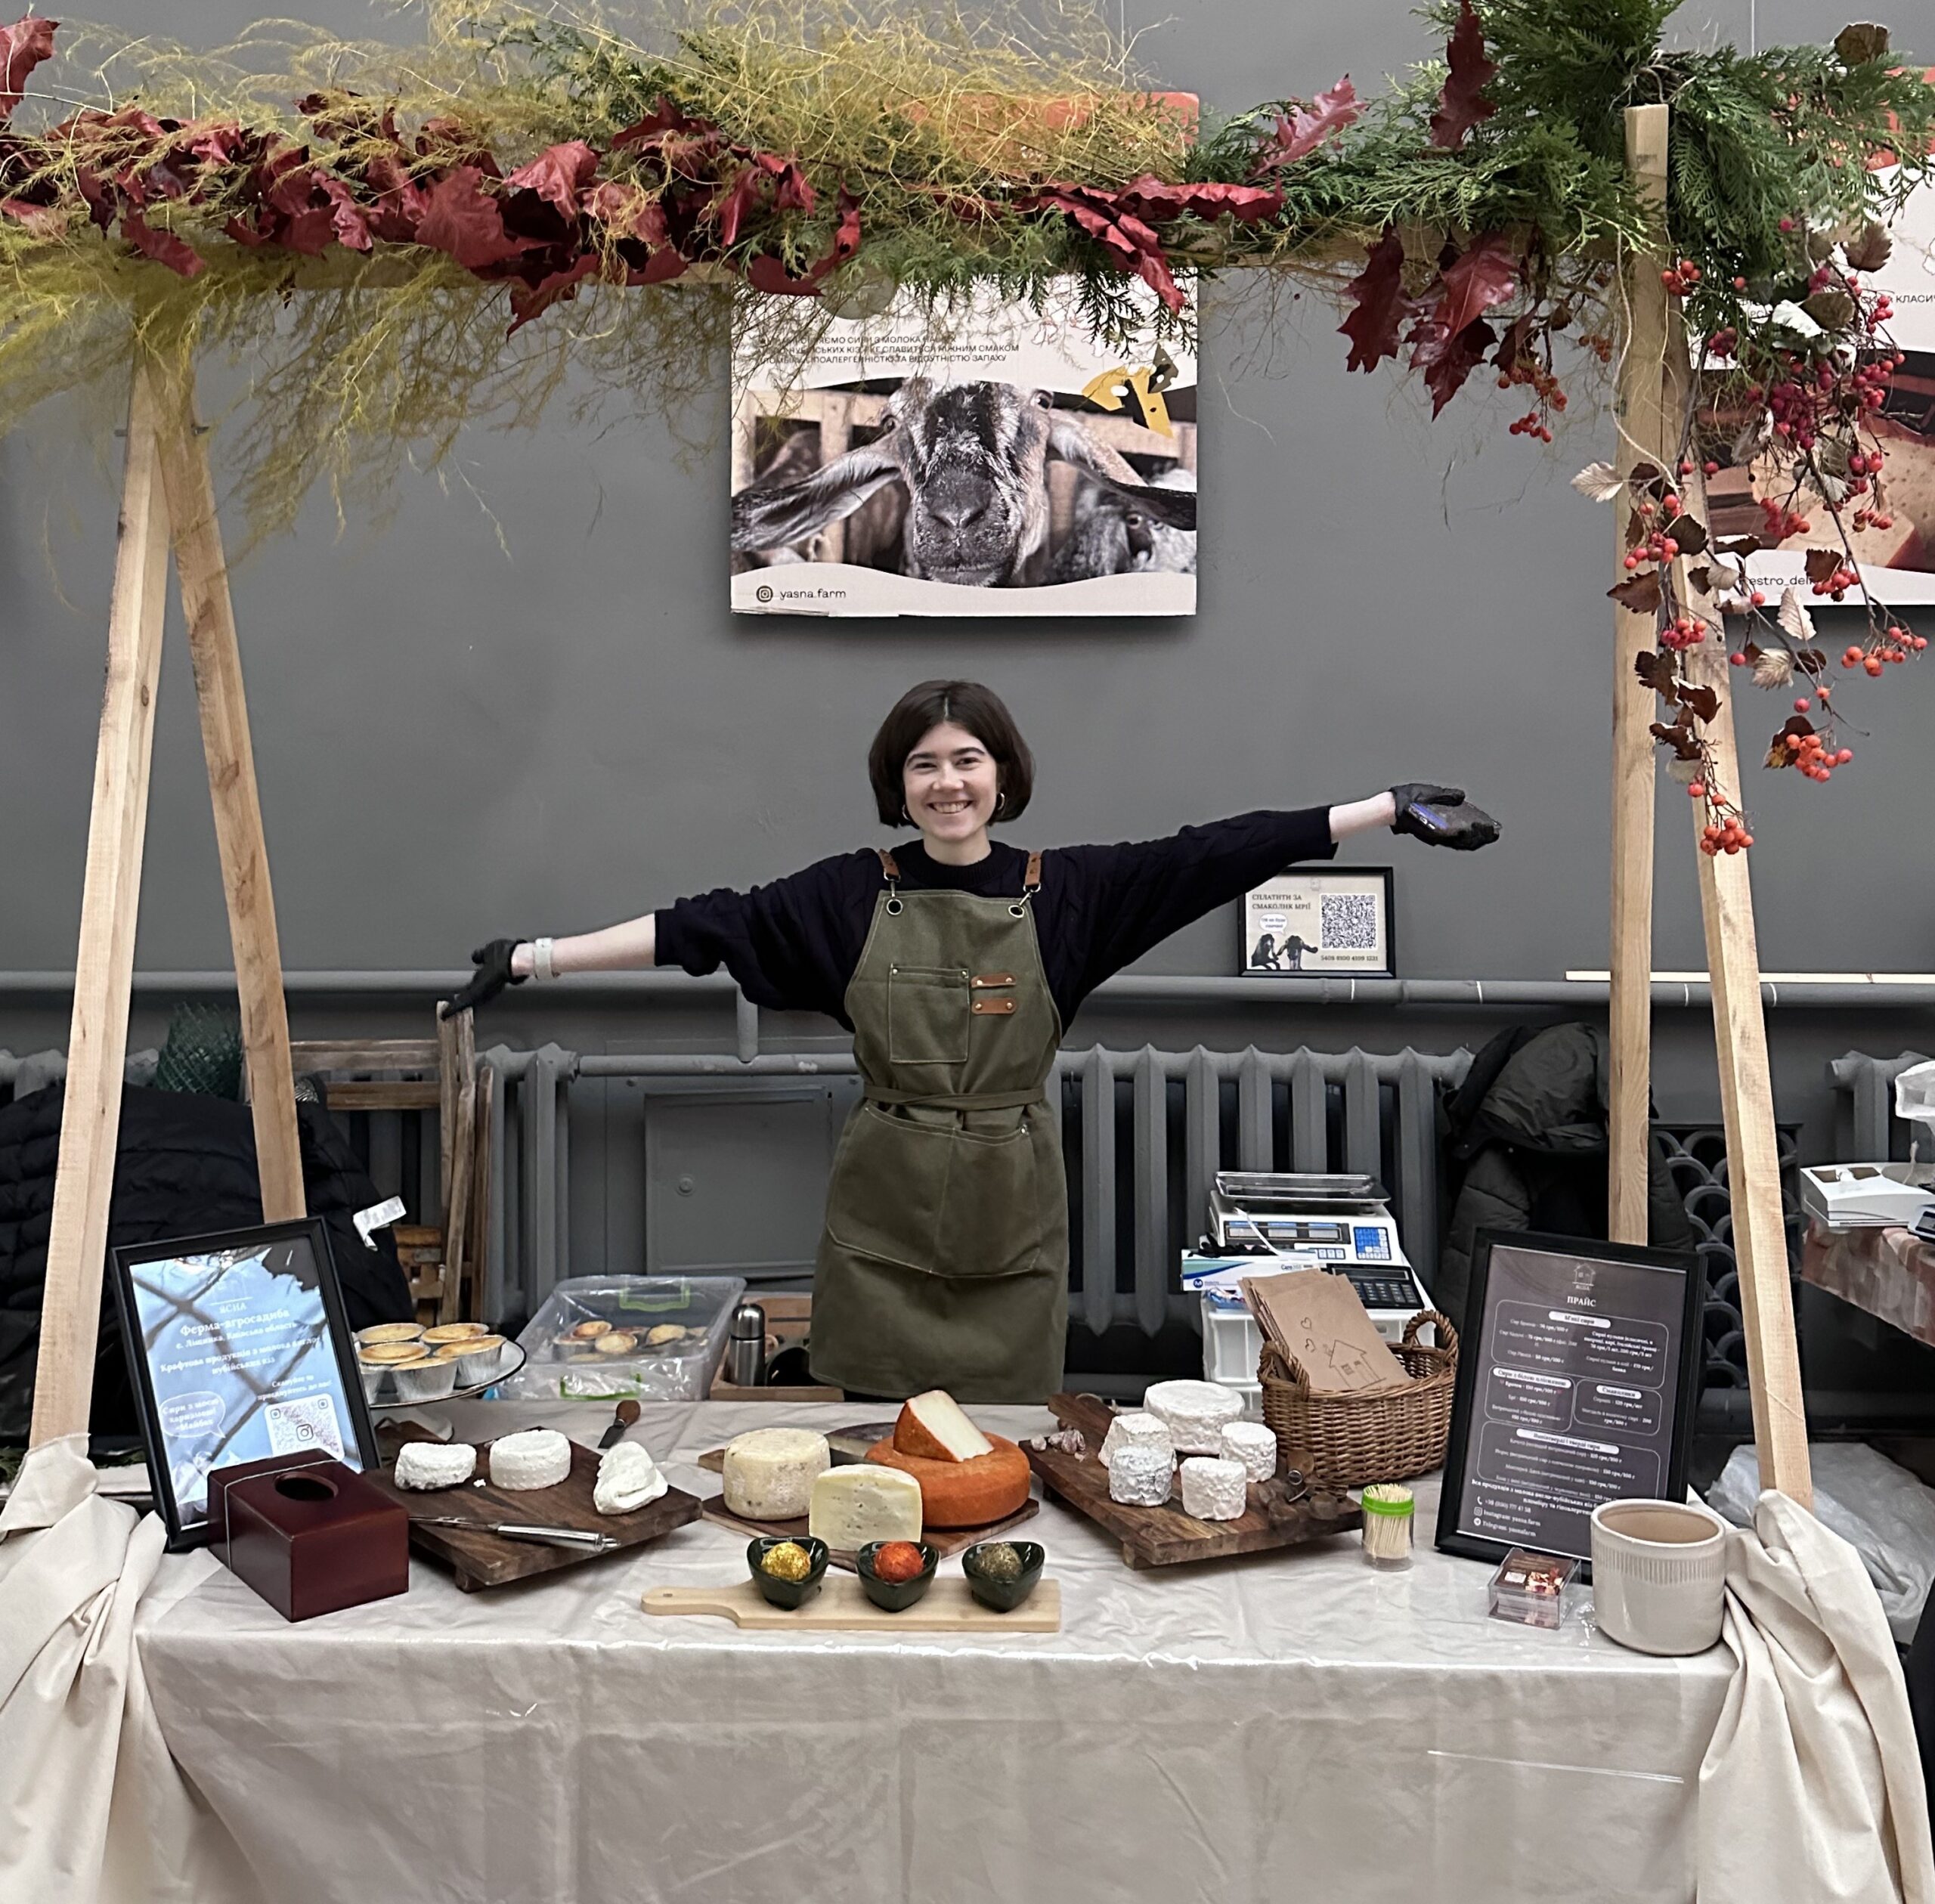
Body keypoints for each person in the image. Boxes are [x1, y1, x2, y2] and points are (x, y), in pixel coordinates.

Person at [446, 680, 1499, 1401]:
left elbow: (1213, 854)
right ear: (897, 784)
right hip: (883, 1211)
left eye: (967, 759)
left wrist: (1383, 809)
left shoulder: (1070, 895)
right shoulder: (849, 895)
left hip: (1012, 1208)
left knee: (1004, 1442)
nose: (947, 783)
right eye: (924, 766)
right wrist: (535, 957)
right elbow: (700, 929)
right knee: (874, 1443)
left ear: (1003, 773)